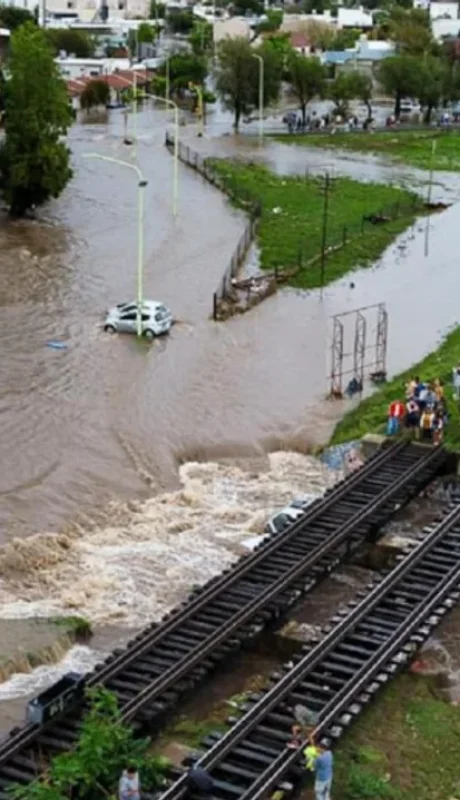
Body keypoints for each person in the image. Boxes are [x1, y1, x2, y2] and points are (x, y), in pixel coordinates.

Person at [310, 736, 333, 800]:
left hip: (321, 778)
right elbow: (319, 753)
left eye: (319, 746)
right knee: (326, 793)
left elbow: (314, 766)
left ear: (321, 748)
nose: (317, 747)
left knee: (319, 794)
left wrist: (313, 758)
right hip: (329, 776)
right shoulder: (330, 753)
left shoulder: (319, 758)